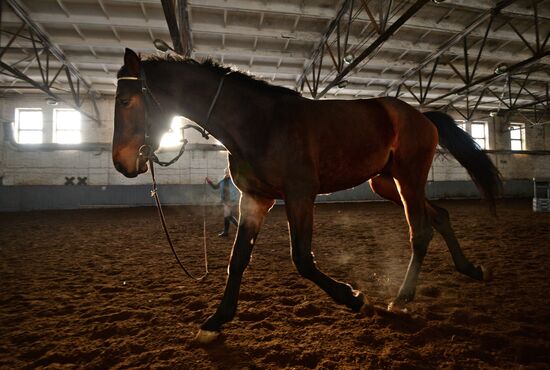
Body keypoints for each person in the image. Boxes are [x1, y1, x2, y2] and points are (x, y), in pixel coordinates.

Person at [206, 168, 239, 237]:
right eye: (226, 172)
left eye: (228, 172)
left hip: (231, 201)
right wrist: (209, 182)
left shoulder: (233, 181)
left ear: (230, 173)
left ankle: (228, 231)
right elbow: (215, 187)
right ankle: (231, 230)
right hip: (225, 201)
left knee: (227, 216)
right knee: (228, 216)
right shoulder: (222, 181)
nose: (227, 173)